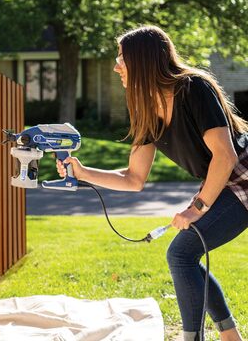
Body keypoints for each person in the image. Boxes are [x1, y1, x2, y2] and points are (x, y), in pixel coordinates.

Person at [56, 26, 248, 341]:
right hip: (222, 180)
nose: (116, 66)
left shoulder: (193, 89)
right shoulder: (146, 108)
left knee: (181, 253)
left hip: (242, 174)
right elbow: (134, 179)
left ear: (143, 60)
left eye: (122, 58)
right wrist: (83, 172)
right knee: (186, 254)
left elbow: (225, 156)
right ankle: (230, 336)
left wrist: (197, 208)